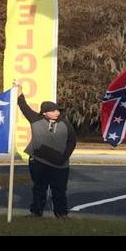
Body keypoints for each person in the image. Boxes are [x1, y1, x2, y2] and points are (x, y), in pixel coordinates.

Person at [17, 91, 77, 219]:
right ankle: (36, 213)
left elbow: (72, 141)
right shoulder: (35, 119)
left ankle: (62, 214)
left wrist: (64, 157)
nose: (57, 113)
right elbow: (24, 107)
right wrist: (19, 94)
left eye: (58, 110)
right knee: (39, 189)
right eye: (53, 110)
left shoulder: (66, 123)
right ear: (44, 113)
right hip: (38, 161)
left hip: (60, 164)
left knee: (59, 190)